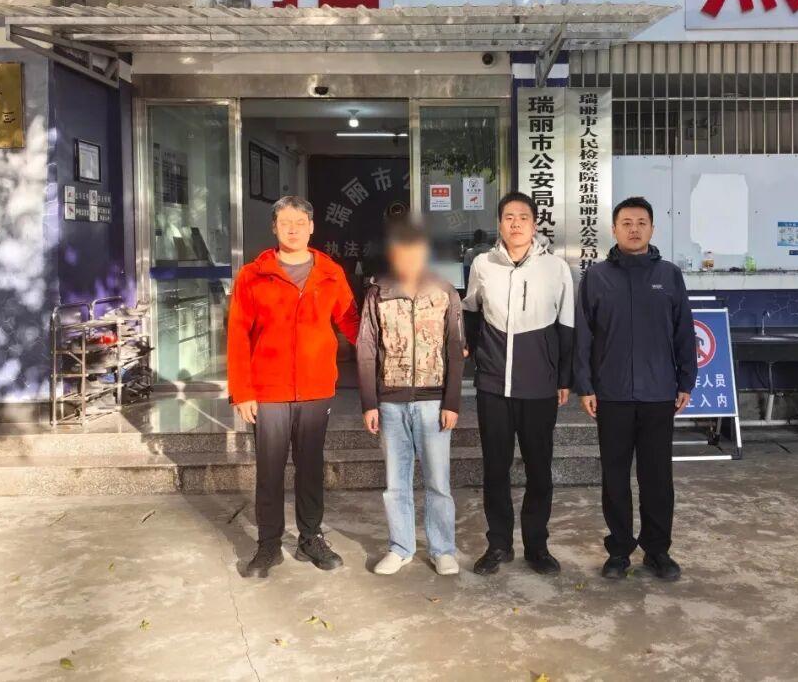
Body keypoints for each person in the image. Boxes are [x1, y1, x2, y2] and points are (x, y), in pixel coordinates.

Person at [228, 196, 360, 578]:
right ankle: (268, 544)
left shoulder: (331, 273)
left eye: (300, 222)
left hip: (316, 388)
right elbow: (237, 334)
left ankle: (310, 538)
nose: (293, 229)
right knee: (269, 471)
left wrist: (386, 350)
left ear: (312, 227)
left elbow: (351, 321)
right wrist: (243, 391)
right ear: (274, 227)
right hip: (268, 390)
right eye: (285, 222)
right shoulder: (253, 275)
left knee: (311, 467)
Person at [574, 196, 696, 582]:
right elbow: (584, 336)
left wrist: (686, 380)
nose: (634, 229)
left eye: (641, 222)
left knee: (657, 477)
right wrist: (585, 385)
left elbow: (684, 330)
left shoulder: (669, 276)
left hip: (659, 392)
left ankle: (658, 551)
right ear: (614, 229)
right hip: (612, 394)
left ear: (652, 229)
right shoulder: (596, 277)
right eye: (626, 223)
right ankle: (619, 551)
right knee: (614, 477)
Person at [463, 191, 574, 576]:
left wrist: (564, 377)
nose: (515, 223)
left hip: (539, 386)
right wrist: (476, 357)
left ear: (534, 223)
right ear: (499, 224)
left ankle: (537, 546)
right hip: (493, 386)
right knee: (495, 469)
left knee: (538, 469)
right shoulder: (483, 264)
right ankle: (498, 544)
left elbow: (567, 326)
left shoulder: (555, 268)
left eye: (523, 217)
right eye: (508, 217)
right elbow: (472, 312)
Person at [357, 221, 465, 576]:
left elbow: (455, 348)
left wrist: (452, 402)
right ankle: (400, 547)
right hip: (390, 401)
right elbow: (366, 349)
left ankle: (442, 549)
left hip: (434, 402)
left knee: (438, 482)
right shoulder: (378, 293)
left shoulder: (444, 292)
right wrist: (369, 403)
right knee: (395, 483)